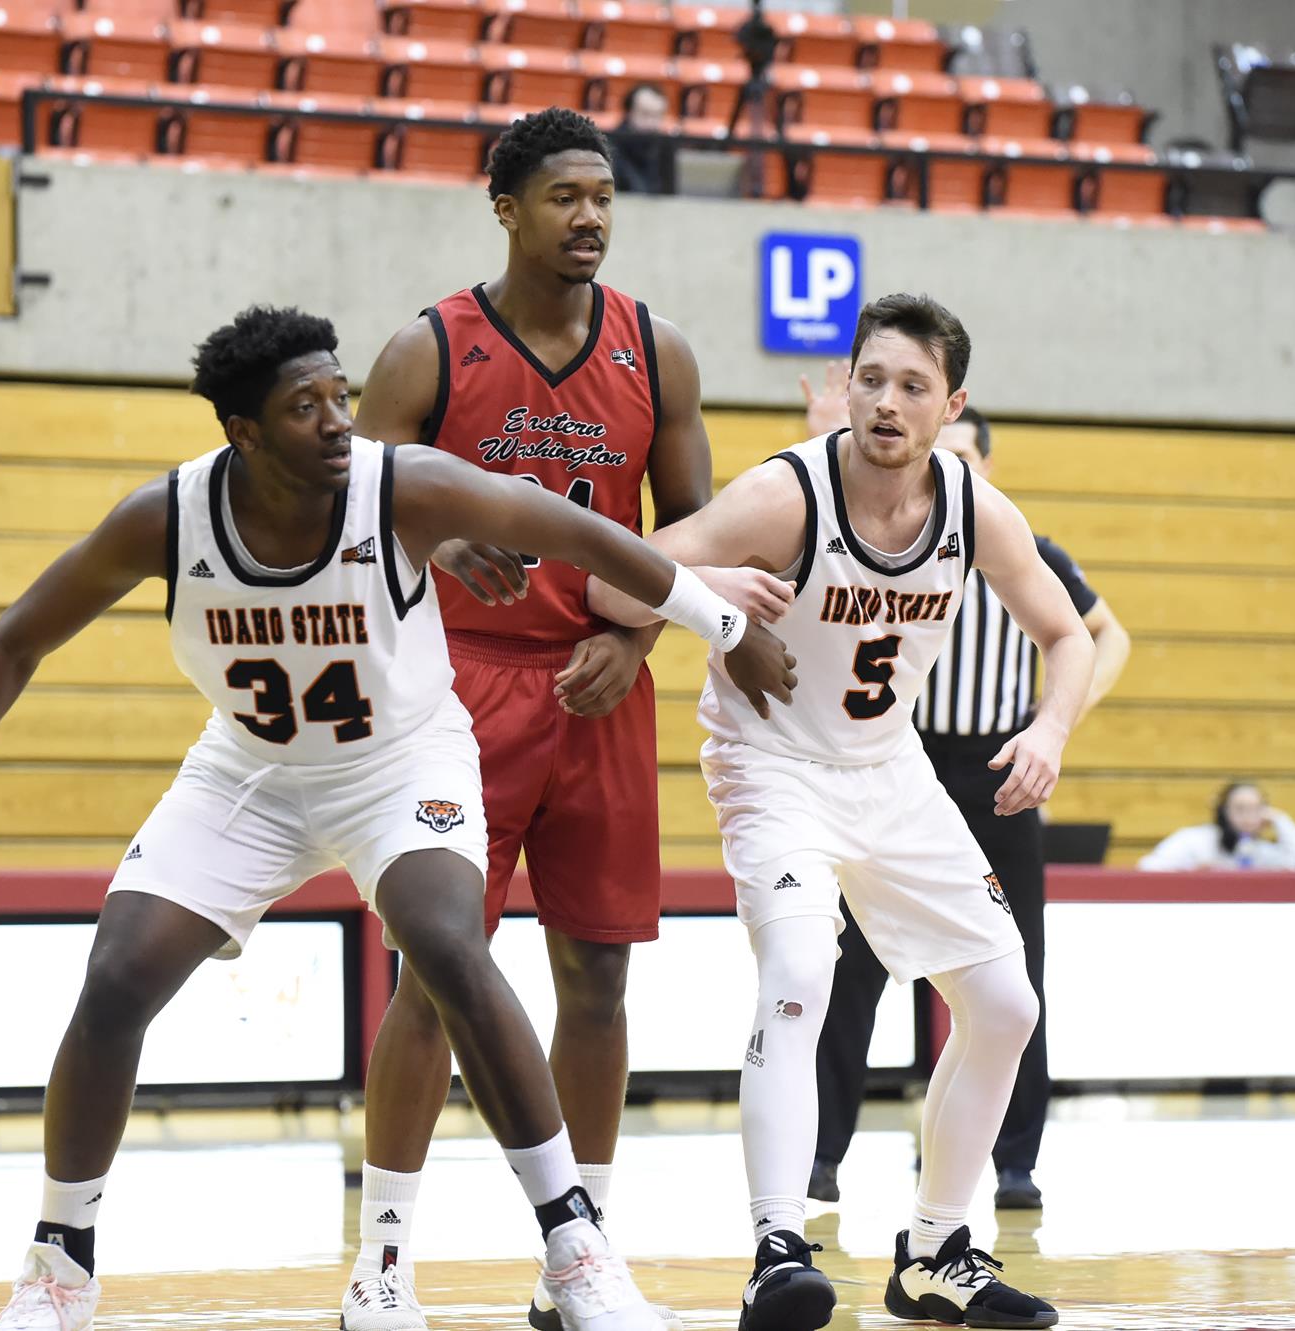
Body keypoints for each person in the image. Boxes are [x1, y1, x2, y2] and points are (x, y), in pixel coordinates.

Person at [0, 306, 796, 1331]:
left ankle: (576, 1247)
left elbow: (584, 532)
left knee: (449, 946)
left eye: (339, 394)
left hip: (399, 757)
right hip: (250, 771)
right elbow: (14, 642)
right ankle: (59, 1263)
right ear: (243, 432)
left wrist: (722, 624)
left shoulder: (401, 484)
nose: (337, 421)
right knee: (114, 977)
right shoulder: (167, 516)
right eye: (305, 406)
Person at [590, 293, 1090, 1330]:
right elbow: (611, 582)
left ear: (952, 404)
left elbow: (1069, 634)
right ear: (847, 386)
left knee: (1004, 1002)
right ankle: (776, 1245)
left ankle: (935, 1251)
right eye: (870, 379)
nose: (886, 402)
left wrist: (1047, 731)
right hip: (770, 763)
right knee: (799, 972)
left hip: (887, 767)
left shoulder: (971, 508)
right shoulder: (785, 494)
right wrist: (711, 586)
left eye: (912, 385)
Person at [347, 108, 715, 1331]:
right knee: (434, 975)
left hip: (596, 683)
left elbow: (689, 536)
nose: (590, 217)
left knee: (598, 975)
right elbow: (346, 518)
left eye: (602, 195)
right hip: (455, 686)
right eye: (563, 195)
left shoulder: (656, 352)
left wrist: (634, 634)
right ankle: (383, 1263)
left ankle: (579, 1259)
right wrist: (441, 535)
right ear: (504, 207)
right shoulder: (427, 349)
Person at [795, 387, 1133, 1213]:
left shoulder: (1021, 544)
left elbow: (1105, 635)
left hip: (997, 773)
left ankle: (1014, 1162)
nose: (953, 471)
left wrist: (1052, 725)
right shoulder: (886, 538)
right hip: (897, 766)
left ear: (983, 461)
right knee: (854, 967)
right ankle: (821, 1157)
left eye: (967, 459)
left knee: (1016, 972)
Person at [1138, 781, 1295, 871]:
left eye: (1256, 809)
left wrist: (1280, 820)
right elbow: (1148, 867)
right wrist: (1191, 871)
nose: (1248, 817)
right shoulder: (1195, 839)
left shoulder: (1262, 851)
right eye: (1240, 809)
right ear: (1223, 812)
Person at [609, 84, 678, 196]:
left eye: (658, 115)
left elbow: (670, 194)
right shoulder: (610, 146)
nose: (651, 122)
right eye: (645, 114)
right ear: (629, 112)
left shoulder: (664, 146)